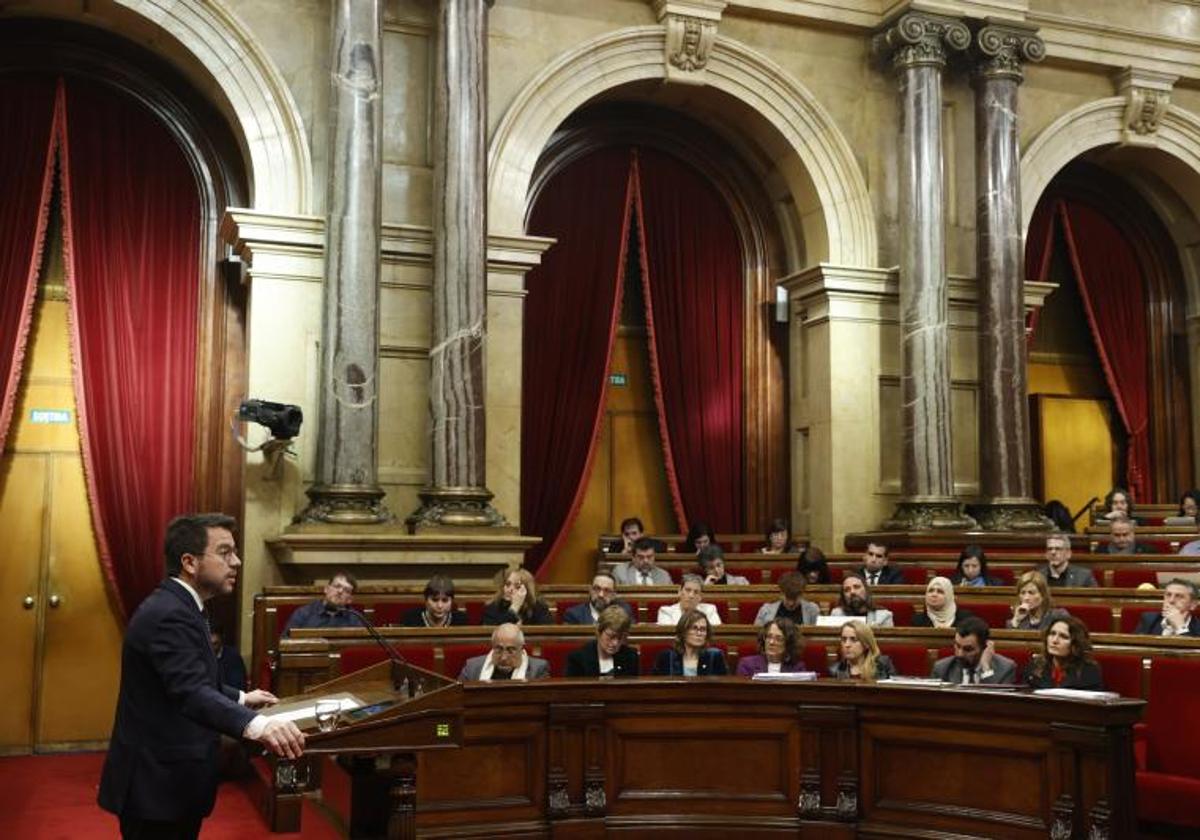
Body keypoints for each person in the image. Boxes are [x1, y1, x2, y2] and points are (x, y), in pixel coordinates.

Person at [98, 513, 305, 839]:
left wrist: (240, 697)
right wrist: (259, 726)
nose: (236, 562)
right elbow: (190, 691)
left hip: (167, 781)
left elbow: (186, 677)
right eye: (225, 553)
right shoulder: (170, 614)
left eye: (235, 552)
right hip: (156, 786)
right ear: (190, 562)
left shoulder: (181, 605)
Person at [1024, 615, 1105, 690]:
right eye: (1052, 634)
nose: (1055, 640)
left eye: (1063, 637)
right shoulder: (1035, 666)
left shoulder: (1089, 670)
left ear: (1076, 643)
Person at [930, 616, 1016, 685]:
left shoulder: (1006, 669)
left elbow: (996, 704)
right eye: (957, 646)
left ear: (984, 647)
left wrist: (986, 668)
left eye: (968, 649)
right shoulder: (942, 668)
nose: (960, 654)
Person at [565, 606, 640, 677]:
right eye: (611, 636)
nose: (615, 643)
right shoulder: (578, 659)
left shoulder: (631, 657)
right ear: (599, 632)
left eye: (620, 638)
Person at [458, 623, 550, 681]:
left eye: (511, 650)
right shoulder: (472, 667)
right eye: (499, 649)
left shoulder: (538, 670)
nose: (503, 657)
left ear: (522, 649)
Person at [282, 571, 362, 635]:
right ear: (326, 589)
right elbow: (285, 642)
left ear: (350, 599)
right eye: (337, 586)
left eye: (346, 590)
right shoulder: (303, 613)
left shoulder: (355, 618)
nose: (340, 591)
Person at [651, 609, 727, 676]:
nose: (699, 633)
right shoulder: (666, 657)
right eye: (694, 628)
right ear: (683, 631)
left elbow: (724, 688)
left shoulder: (715, 656)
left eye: (703, 629)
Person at [481, 568, 554, 626]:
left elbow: (546, 636)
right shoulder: (493, 607)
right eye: (508, 584)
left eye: (517, 586)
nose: (510, 589)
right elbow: (496, 634)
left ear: (527, 589)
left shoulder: (539, 607)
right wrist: (514, 607)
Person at [736, 618, 807, 676]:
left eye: (778, 639)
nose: (771, 642)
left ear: (788, 643)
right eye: (769, 637)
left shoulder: (797, 668)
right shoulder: (747, 665)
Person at [828, 620, 895, 681]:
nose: (847, 645)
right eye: (844, 639)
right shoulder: (835, 670)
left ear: (866, 644)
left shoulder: (883, 666)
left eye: (853, 640)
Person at [1133, 579, 1200, 637]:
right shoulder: (1149, 619)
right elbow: (1134, 648)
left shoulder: (1198, 628)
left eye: (1179, 596)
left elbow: (1192, 651)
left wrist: (1180, 627)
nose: (1171, 600)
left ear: (1193, 605)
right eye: (1168, 595)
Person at [562, 572, 633, 625]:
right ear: (590, 590)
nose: (601, 595)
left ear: (613, 595)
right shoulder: (574, 614)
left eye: (607, 590)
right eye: (597, 589)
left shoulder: (624, 611)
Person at [753, 571, 820, 626]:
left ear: (802, 594)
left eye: (795, 599)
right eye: (788, 598)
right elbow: (757, 636)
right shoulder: (766, 610)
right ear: (781, 593)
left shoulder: (813, 610)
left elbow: (817, 639)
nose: (791, 603)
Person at [400, 575, 469, 627]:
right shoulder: (411, 619)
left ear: (451, 601)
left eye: (445, 600)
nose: (440, 606)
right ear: (426, 600)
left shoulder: (461, 620)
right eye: (434, 600)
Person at [830, 573, 894, 627]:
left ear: (866, 591)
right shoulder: (837, 614)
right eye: (847, 590)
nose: (852, 592)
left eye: (856, 587)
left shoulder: (883, 616)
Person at [656, 574, 722, 626]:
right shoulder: (666, 612)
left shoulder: (710, 610)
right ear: (679, 591)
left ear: (700, 596)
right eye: (688, 590)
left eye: (696, 592)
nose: (691, 596)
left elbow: (715, 634)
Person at [209, 623, 246, 691]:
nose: (212, 648)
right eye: (209, 644)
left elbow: (237, 688)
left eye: (215, 644)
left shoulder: (233, 657)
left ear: (222, 638)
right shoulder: (200, 655)